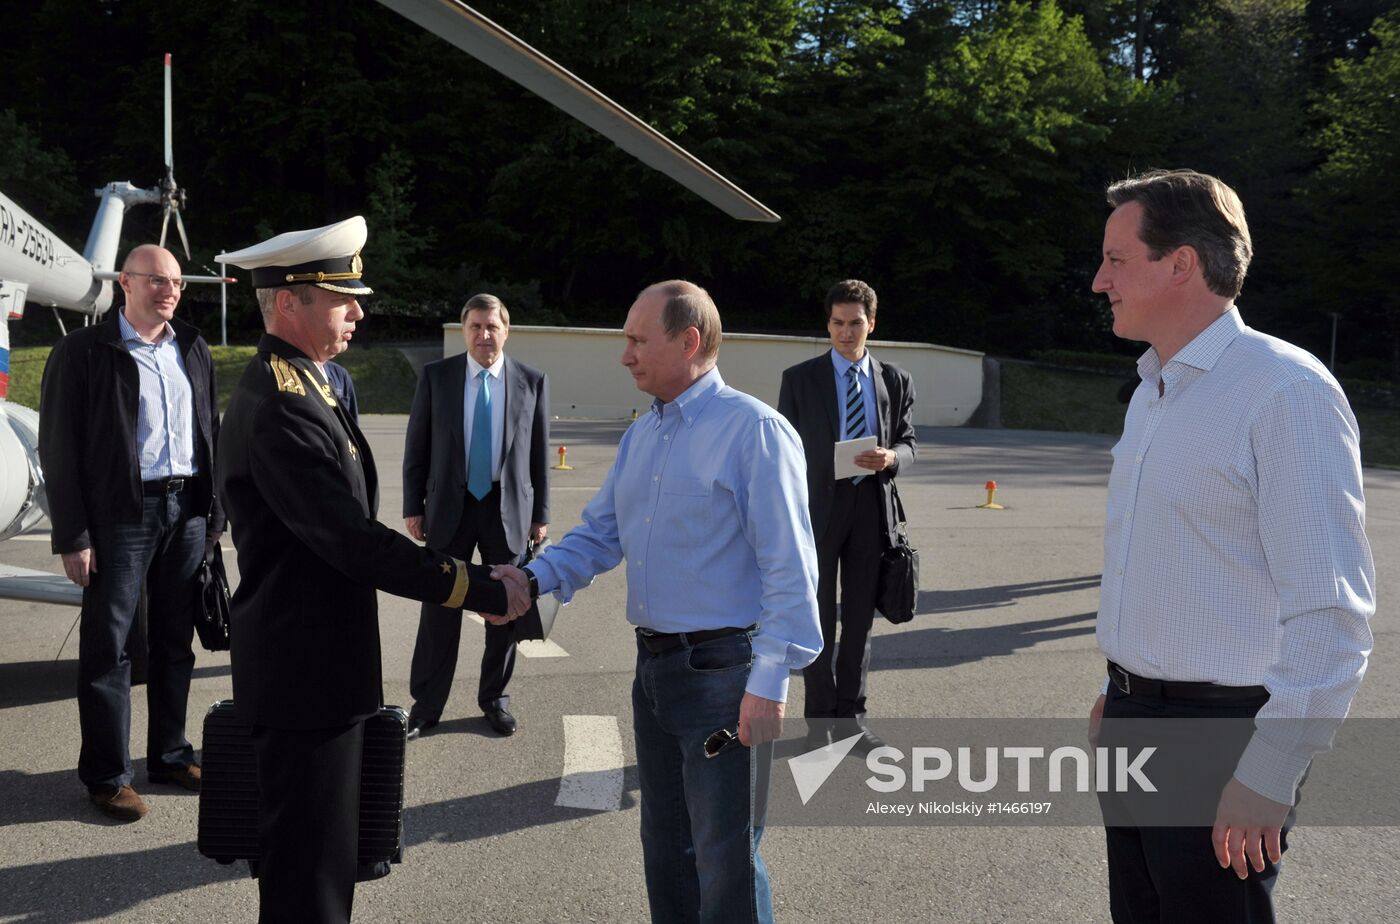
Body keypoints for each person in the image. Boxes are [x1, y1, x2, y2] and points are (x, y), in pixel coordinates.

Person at [215, 217, 527, 924]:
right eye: (341, 296)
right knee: (307, 885)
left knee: (332, 866)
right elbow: (354, 541)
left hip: (323, 672)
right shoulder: (279, 408)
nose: (359, 310)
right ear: (289, 302)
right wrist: (476, 588)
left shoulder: (316, 386)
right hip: (303, 684)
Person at [1086, 169, 1375, 923]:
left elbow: (1331, 612)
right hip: (1136, 722)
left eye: (1117, 259)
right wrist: (1123, 687)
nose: (1098, 280)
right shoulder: (1154, 390)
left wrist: (1272, 770)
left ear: (1181, 263)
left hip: (1223, 740)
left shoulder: (1285, 392)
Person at [493, 280, 822, 923]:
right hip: (655, 673)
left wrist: (771, 680)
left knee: (726, 857)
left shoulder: (753, 431)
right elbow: (598, 534)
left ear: (689, 341)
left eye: (638, 340)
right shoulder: (645, 436)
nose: (625, 355)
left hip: (726, 677)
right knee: (666, 850)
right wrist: (529, 581)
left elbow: (790, 568)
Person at [38, 243, 223, 822]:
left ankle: (169, 755)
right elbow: (58, 448)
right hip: (121, 516)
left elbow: (208, 429)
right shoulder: (82, 351)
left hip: (186, 511)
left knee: (174, 642)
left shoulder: (191, 346)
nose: (169, 290)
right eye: (155, 280)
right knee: (109, 649)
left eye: (175, 282)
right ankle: (107, 776)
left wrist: (213, 514)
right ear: (125, 282)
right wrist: (73, 534)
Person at [777, 279, 916, 753]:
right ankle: (819, 723)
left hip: (870, 511)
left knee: (859, 620)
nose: (845, 331)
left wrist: (892, 458)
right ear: (828, 323)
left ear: (871, 324)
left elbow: (910, 443)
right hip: (817, 510)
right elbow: (783, 451)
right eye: (837, 322)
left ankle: (852, 720)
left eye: (855, 322)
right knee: (816, 616)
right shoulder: (800, 379)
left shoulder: (894, 380)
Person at [403, 293, 549, 739]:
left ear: (506, 331)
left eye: (492, 327)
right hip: (450, 506)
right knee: (440, 607)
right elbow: (418, 445)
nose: (484, 335)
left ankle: (494, 700)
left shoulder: (531, 380)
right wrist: (413, 505)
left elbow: (539, 452)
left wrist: (540, 513)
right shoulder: (437, 377)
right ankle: (427, 705)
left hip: (508, 510)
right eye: (476, 327)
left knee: (506, 605)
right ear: (464, 331)